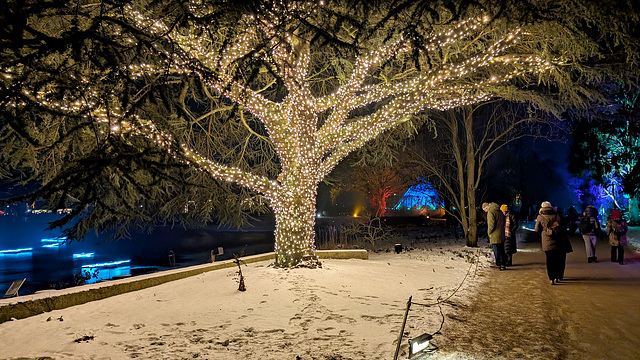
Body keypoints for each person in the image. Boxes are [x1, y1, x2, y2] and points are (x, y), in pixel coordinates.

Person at [535, 201, 566, 285]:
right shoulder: (556, 216)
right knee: (557, 260)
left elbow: (537, 229)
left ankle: (551, 278)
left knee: (549, 260)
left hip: (546, 242)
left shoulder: (540, 217)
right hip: (557, 241)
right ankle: (557, 276)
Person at [483, 202, 506, 270]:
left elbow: (491, 224)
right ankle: (503, 264)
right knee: (502, 250)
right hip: (501, 233)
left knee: (496, 250)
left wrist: (489, 232)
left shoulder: (491, 212)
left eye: (485, 210)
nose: (485, 212)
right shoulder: (499, 211)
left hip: (494, 235)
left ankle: (498, 264)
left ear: (486, 208)